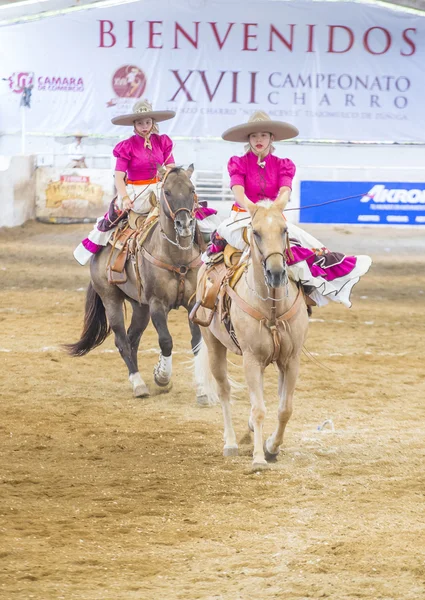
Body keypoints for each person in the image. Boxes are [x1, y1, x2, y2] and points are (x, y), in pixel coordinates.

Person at [209, 111, 371, 308]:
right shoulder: (238, 162)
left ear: (271, 138)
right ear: (248, 139)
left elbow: (285, 190)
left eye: (263, 135)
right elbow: (238, 192)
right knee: (250, 243)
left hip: (274, 218)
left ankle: (303, 292)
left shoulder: (282, 165)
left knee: (306, 247)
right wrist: (254, 209)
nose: (259, 140)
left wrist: (276, 207)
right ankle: (216, 292)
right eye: (254, 136)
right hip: (243, 217)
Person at [73, 100, 177, 265]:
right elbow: (119, 177)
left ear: (153, 123)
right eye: (140, 123)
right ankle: (95, 250)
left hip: (159, 188)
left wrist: (169, 177)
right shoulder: (127, 146)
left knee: (184, 212)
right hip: (135, 190)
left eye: (148, 122)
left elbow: (171, 167)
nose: (144, 126)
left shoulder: (162, 142)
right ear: (134, 125)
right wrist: (125, 197)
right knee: (114, 217)